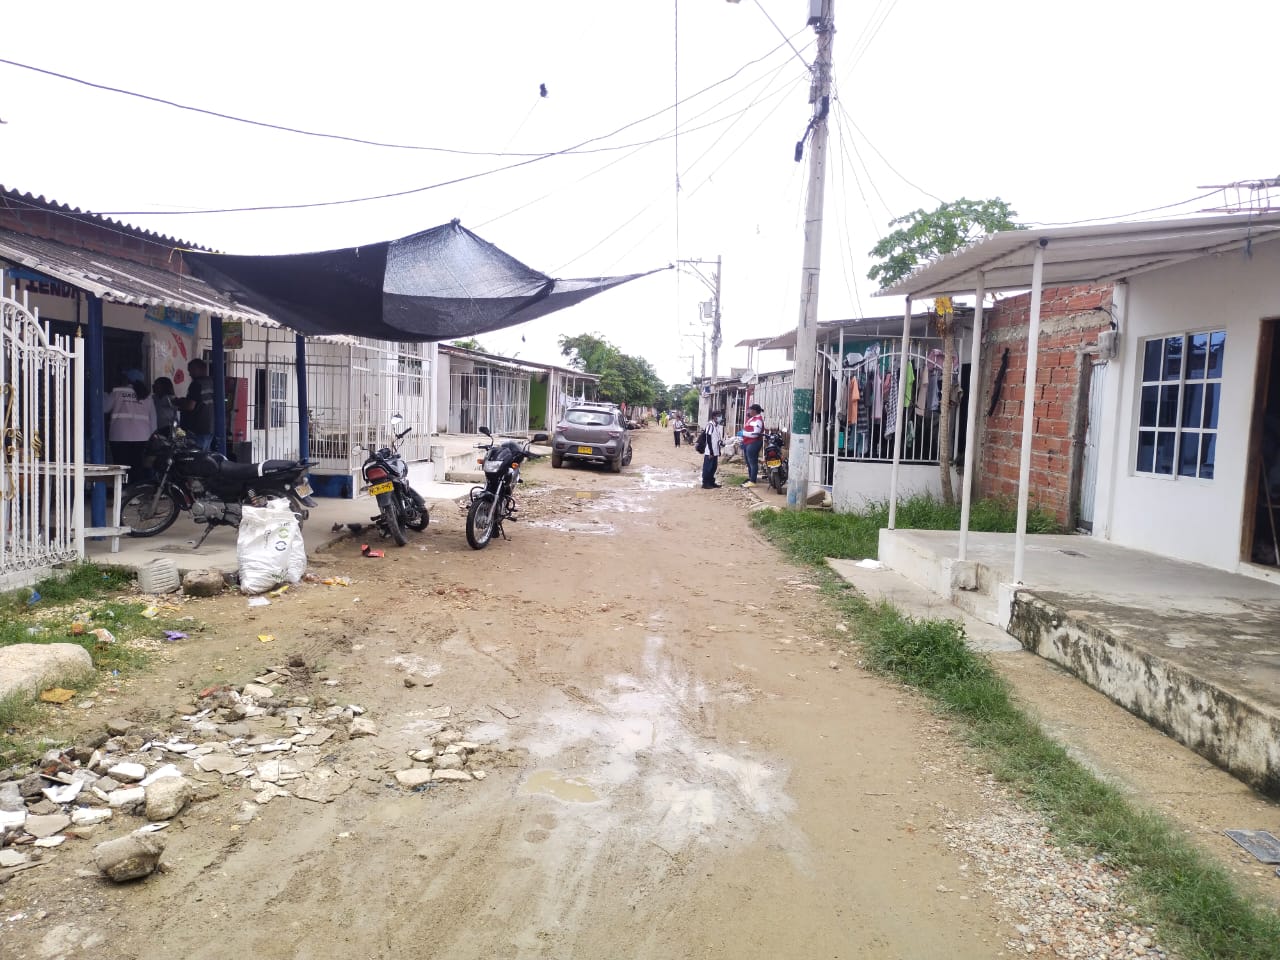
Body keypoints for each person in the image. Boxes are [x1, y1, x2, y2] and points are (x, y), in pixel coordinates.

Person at [104, 369, 156, 476]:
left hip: (120, 436)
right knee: (136, 468)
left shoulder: (117, 392)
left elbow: (104, 408)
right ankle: (135, 490)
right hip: (142, 437)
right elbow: (153, 420)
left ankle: (122, 491)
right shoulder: (147, 396)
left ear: (127, 379)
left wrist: (103, 394)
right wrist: (151, 438)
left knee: (120, 469)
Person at [180, 358, 215, 451]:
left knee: (196, 458)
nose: (190, 374)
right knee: (205, 457)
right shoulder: (211, 382)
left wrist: (179, 403)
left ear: (199, 369)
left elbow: (190, 406)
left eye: (191, 370)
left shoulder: (196, 384)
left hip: (197, 428)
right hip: (210, 427)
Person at [741, 403, 765, 488]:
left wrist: (743, 433)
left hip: (754, 443)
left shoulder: (758, 420)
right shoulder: (752, 419)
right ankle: (750, 478)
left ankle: (753, 480)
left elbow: (755, 434)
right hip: (747, 442)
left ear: (754, 411)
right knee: (748, 462)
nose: (749, 411)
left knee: (752, 462)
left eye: (750, 409)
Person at [701, 410, 725, 489]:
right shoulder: (710, 425)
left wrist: (720, 447)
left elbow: (717, 438)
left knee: (713, 467)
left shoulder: (717, 426)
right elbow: (708, 438)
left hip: (715, 450)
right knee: (708, 467)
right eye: (718, 416)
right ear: (714, 417)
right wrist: (711, 451)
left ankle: (711, 482)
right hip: (710, 451)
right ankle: (705, 483)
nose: (720, 417)